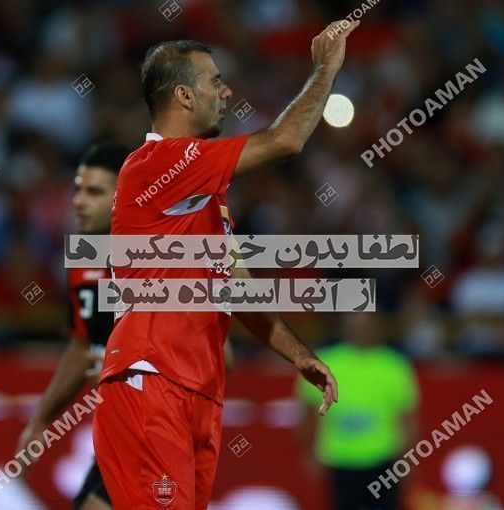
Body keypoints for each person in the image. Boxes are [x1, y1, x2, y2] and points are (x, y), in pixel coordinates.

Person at [93, 19, 359, 510]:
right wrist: (325, 69)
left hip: (198, 389)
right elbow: (285, 140)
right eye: (215, 81)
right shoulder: (157, 164)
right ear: (183, 96)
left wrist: (297, 354)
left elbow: (237, 288)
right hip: (152, 375)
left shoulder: (201, 194)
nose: (227, 91)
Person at [14, 141, 129, 510]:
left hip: (158, 430)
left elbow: (221, 356)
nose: (78, 201)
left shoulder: (160, 259)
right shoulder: (85, 254)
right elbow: (82, 347)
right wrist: (39, 423)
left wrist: (131, 367)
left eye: (94, 192)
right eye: (77, 190)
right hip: (118, 433)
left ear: (125, 197)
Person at [296, 312, 419, 510]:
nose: (361, 329)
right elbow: (308, 415)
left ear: (379, 327)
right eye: (355, 324)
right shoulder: (326, 362)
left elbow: (407, 419)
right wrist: (308, 452)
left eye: (366, 323)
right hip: (339, 460)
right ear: (344, 327)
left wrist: (407, 460)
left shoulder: (394, 365)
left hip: (383, 459)